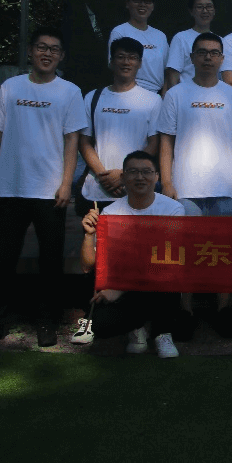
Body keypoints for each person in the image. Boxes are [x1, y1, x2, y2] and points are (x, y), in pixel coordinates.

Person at [0, 28, 87, 350]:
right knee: (4, 260)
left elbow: (72, 140)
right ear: (30, 51)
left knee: (50, 262)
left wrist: (66, 184)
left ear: (61, 56)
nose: (47, 53)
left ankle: (47, 321)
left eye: (54, 49)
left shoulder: (70, 91)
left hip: (49, 191)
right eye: (41, 47)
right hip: (10, 188)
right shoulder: (11, 87)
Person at [72, 36, 163, 345]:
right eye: (121, 56)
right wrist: (103, 174)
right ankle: (90, 319)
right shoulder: (93, 97)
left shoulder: (152, 100)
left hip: (134, 193)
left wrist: (125, 177)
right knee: (95, 261)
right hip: (96, 192)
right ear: (111, 61)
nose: (126, 62)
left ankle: (134, 323)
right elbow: (85, 141)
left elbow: (154, 143)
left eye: (132, 57)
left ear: (140, 63)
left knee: (136, 260)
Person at [157, 31, 232, 336]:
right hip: (185, 189)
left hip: (224, 189)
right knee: (185, 255)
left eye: (214, 52)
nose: (208, 57)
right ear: (192, 58)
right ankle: (186, 312)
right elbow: (166, 142)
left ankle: (223, 312)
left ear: (222, 59)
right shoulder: (176, 94)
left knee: (223, 254)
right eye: (202, 52)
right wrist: (167, 182)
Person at [80, 151, 186, 358]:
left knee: (168, 273)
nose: (140, 177)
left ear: (156, 177)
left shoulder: (173, 209)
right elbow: (88, 265)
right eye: (133, 172)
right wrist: (89, 235)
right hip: (127, 283)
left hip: (158, 281)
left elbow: (165, 260)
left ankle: (163, 332)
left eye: (146, 172)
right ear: (123, 177)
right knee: (101, 325)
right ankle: (137, 329)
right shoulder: (111, 212)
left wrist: (119, 290)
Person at [109, 0, 169, 94]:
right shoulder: (119, 31)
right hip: (127, 92)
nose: (142, 5)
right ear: (127, 4)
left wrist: (164, 96)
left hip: (156, 94)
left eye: (147, 1)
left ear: (153, 6)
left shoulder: (160, 36)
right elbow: (114, 65)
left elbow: (167, 71)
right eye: (137, 0)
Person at [164, 0, 216, 91]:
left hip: (213, 96)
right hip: (186, 95)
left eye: (209, 6)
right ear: (191, 11)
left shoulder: (220, 41)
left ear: (214, 10)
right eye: (199, 7)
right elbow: (173, 74)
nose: (205, 11)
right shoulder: (181, 38)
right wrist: (176, 97)